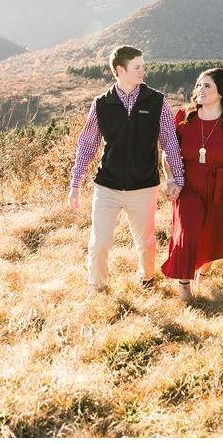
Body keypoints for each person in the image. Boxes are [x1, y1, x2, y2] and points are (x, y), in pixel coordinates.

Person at [68, 46, 184, 294]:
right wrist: (75, 183)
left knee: (146, 242)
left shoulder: (157, 101)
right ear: (120, 70)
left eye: (143, 66)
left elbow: (170, 142)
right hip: (107, 186)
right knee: (99, 243)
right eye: (137, 67)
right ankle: (97, 288)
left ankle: (147, 280)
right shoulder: (101, 104)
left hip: (144, 186)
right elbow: (87, 145)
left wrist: (177, 178)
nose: (143, 71)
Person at [160, 68, 223, 302]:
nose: (200, 90)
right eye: (198, 85)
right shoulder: (184, 117)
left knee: (214, 231)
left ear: (221, 92)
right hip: (189, 184)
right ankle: (184, 285)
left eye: (207, 86)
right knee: (187, 231)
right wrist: (170, 178)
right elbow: (168, 152)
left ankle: (202, 271)